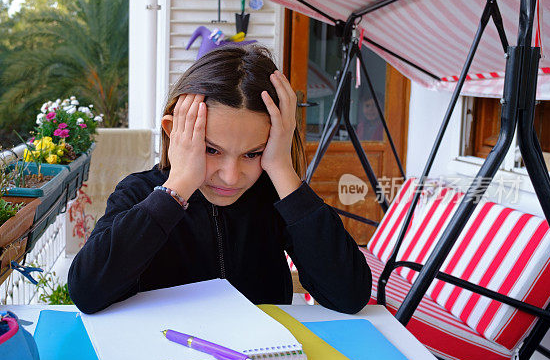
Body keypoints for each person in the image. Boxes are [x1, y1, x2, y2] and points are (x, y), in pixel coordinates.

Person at [67, 45, 371, 314]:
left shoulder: (276, 197)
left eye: (252, 154)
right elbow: (87, 292)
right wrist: (176, 190)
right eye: (212, 149)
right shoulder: (140, 193)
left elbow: (349, 295)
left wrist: (281, 168)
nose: (230, 176)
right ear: (175, 132)